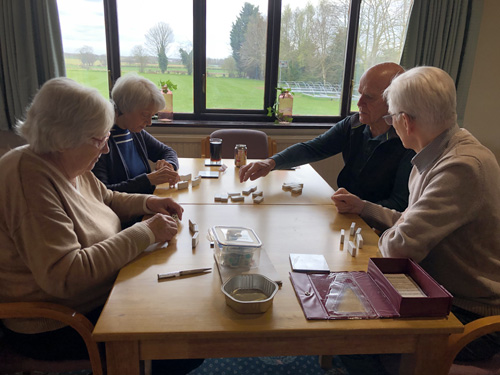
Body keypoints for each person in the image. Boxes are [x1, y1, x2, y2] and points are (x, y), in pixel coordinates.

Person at [0, 77, 202, 374]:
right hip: (57, 323)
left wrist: (149, 203)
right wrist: (145, 232)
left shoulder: (66, 163)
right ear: (62, 137)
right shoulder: (28, 179)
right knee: (183, 344)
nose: (105, 150)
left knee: (183, 305)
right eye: (99, 140)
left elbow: (106, 196)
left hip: (105, 291)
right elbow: (66, 276)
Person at [333, 66, 500, 364]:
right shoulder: (435, 154)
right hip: (436, 288)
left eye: (391, 117)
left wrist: (385, 236)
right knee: (346, 308)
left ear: (405, 121)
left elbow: (399, 246)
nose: (391, 124)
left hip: (468, 313)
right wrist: (364, 207)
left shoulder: (460, 167)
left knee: (353, 334)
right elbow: (413, 223)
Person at [239, 62, 414, 211]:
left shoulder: (409, 142)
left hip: (378, 227)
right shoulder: (354, 124)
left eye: (368, 97)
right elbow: (313, 148)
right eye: (359, 94)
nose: (359, 103)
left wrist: (361, 208)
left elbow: (399, 205)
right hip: (349, 212)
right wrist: (271, 162)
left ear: (394, 102)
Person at [92, 73, 180, 194]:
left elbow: (168, 151)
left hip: (146, 205)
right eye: (145, 115)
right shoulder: (100, 141)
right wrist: (148, 180)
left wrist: (169, 165)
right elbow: (103, 193)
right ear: (125, 107)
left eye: (152, 116)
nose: (149, 122)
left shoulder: (136, 133)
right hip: (125, 212)